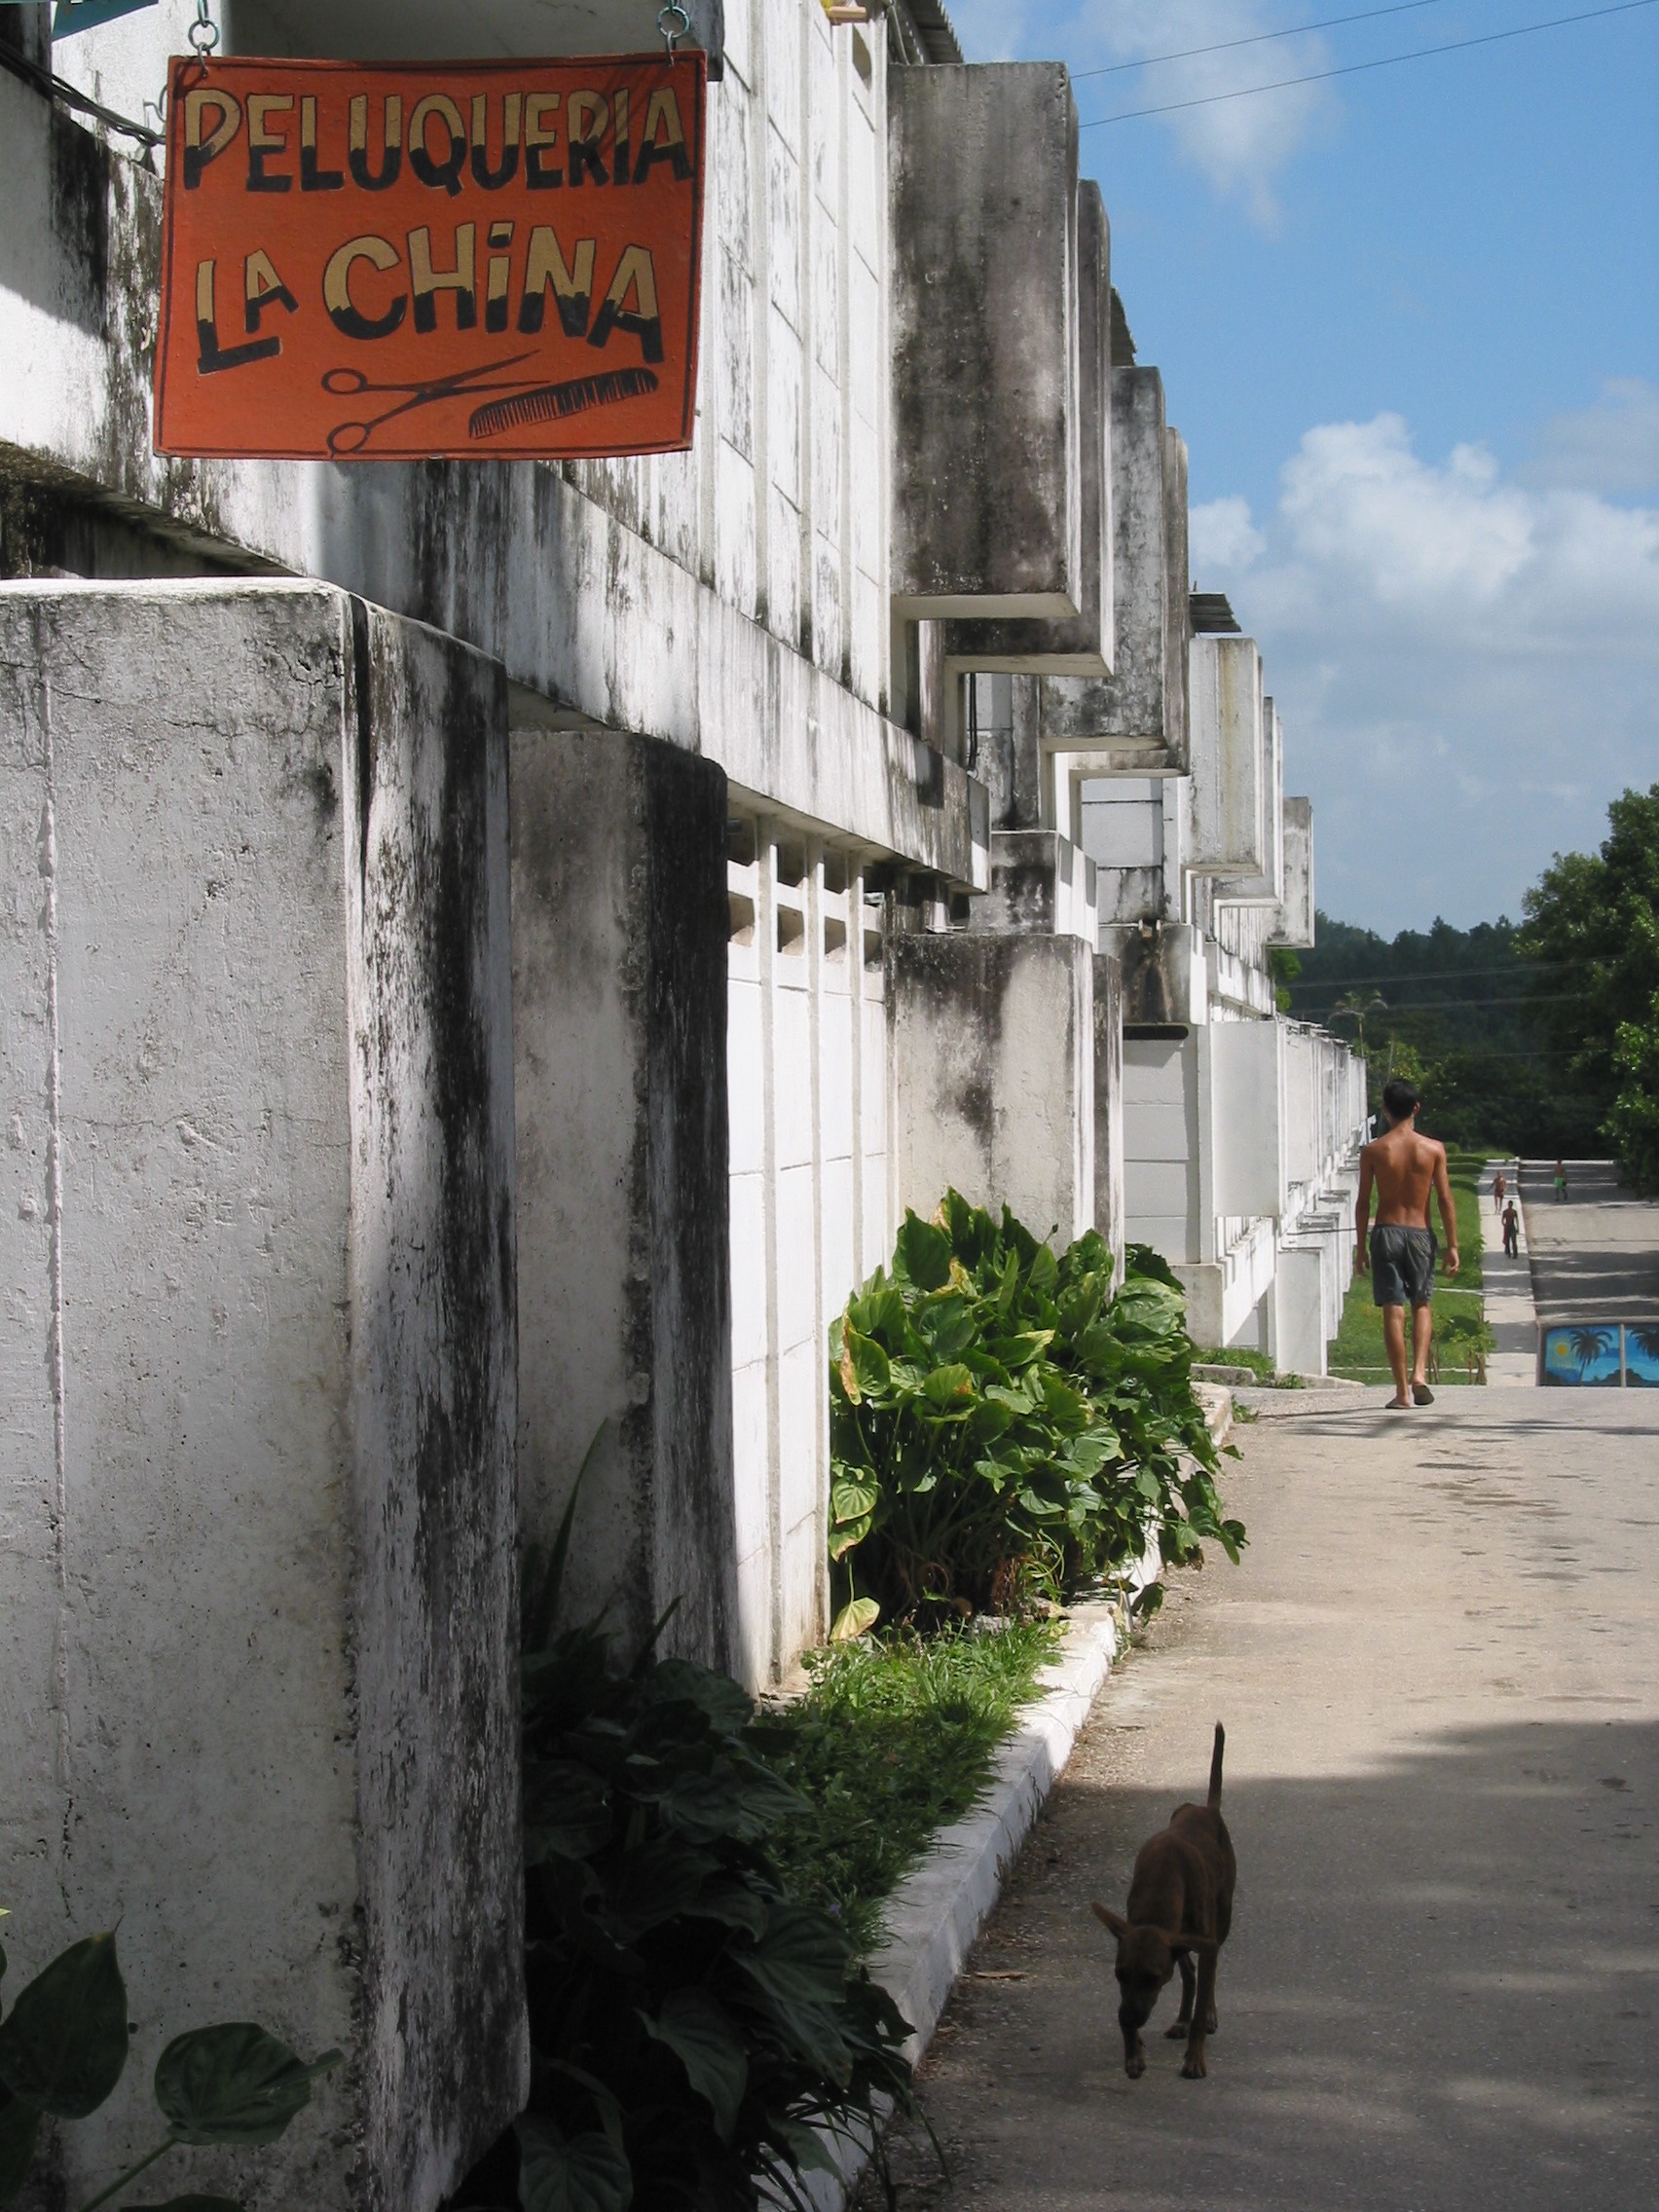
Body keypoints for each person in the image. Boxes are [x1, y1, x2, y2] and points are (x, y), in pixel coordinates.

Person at [1354, 1078, 1459, 1409]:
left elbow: (1362, 1202)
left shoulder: (1373, 1151)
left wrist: (1360, 1246)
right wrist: (1453, 1244)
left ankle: (1402, 1392)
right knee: (1422, 1303)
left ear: (1385, 1111)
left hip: (1385, 1231)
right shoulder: (1433, 1149)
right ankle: (1419, 1374)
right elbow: (1445, 1199)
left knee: (1392, 1308)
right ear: (1416, 1108)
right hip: (1420, 1232)